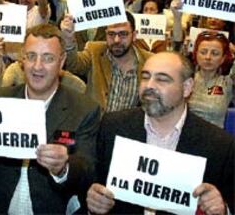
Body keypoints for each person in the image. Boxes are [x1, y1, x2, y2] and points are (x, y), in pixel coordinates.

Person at [0, 24, 100, 213]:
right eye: (31, 56)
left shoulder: (84, 109)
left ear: (61, 62)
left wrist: (63, 168)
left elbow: (88, 171)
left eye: (48, 58)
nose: (38, 66)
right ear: (22, 59)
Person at [87, 52, 234, 214]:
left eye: (162, 79)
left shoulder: (219, 145)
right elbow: (94, 183)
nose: (149, 85)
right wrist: (94, 201)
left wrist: (223, 209)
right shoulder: (112, 126)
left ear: (187, 88)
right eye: (145, 77)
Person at [61, 11, 152, 112]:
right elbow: (73, 65)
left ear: (134, 35)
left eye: (123, 34)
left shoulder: (150, 61)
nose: (116, 40)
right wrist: (68, 39)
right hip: (95, 124)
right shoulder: (95, 51)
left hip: (130, 126)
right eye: (111, 34)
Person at [189, 31, 234, 128]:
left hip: (215, 139)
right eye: (203, 52)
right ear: (196, 54)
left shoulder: (228, 82)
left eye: (215, 53)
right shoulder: (186, 79)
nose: (208, 57)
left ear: (223, 58)